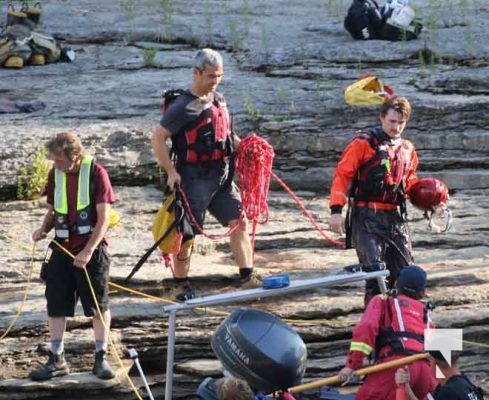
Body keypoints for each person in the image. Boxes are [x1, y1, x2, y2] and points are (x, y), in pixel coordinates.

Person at [151, 48, 257, 301]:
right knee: (185, 232)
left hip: (221, 175)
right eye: (210, 76)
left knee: (239, 221)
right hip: (193, 177)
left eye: (218, 76)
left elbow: (226, 134)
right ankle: (180, 284)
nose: (215, 81)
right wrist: (170, 171)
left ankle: (247, 276)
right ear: (196, 73)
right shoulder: (182, 106)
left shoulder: (219, 100)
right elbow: (158, 136)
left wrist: (245, 147)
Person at [29, 132, 116, 381]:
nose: (54, 164)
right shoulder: (55, 174)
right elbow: (55, 208)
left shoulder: (97, 173)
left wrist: (88, 251)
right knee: (56, 304)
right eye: (53, 160)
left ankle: (101, 357)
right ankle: (57, 359)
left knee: (98, 305)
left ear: (74, 156)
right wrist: (43, 230)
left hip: (92, 249)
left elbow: (104, 219)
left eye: (58, 159)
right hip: (61, 249)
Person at [328, 96, 419, 306]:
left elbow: (411, 182)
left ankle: (404, 326)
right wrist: (335, 211)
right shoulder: (363, 143)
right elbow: (342, 175)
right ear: (382, 118)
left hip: (395, 217)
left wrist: (431, 201)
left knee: (407, 275)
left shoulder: (407, 148)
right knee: (376, 276)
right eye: (392, 121)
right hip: (366, 217)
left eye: (401, 122)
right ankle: (375, 329)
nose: (396, 127)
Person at [337, 265, 437, 400]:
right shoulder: (427, 314)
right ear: (423, 292)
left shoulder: (383, 300)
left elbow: (367, 327)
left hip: (396, 365)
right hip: (425, 371)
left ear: (396, 283)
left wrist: (352, 365)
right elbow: (443, 357)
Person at [395, 351, 484, 400]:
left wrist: (402, 386)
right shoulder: (466, 384)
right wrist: (406, 385)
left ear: (433, 362)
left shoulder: (448, 392)